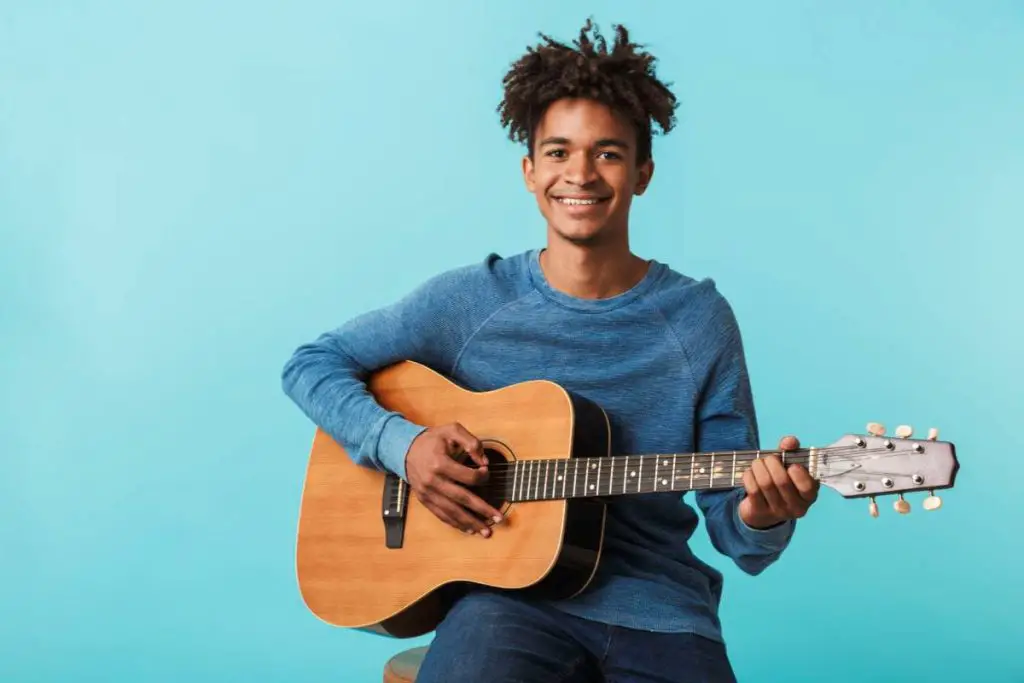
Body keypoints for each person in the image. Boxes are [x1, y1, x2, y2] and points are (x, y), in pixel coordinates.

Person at [281, 18, 819, 683]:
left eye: (609, 153)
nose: (581, 174)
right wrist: (405, 446)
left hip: (661, 609)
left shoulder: (698, 319)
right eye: (559, 152)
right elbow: (310, 365)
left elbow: (736, 534)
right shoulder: (473, 301)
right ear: (530, 170)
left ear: (643, 172)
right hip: (505, 605)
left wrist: (761, 513)